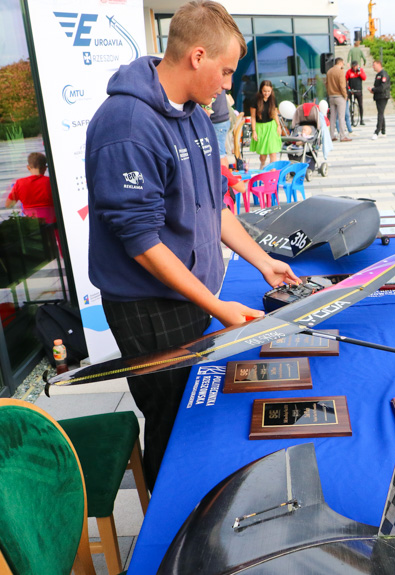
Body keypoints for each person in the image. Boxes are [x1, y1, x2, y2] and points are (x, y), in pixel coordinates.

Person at [85, 0, 299, 491]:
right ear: (197, 57)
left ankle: (198, 503)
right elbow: (141, 241)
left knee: (196, 415)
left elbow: (215, 205)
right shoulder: (127, 125)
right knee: (172, 423)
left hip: (190, 296)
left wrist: (264, 261)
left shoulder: (196, 115)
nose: (227, 84)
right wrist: (216, 304)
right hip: (149, 304)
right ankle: (169, 540)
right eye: (225, 72)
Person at [5, 152, 55, 224]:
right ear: (45, 168)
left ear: (28, 167)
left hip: (32, 224)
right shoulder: (51, 182)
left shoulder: (20, 183)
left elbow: (9, 205)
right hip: (52, 223)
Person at [249, 80, 284, 168]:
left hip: (272, 126)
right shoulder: (255, 99)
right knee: (263, 155)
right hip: (260, 127)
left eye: (268, 91)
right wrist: (254, 131)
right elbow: (253, 117)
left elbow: (275, 113)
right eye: (264, 91)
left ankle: (273, 172)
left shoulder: (273, 99)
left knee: (273, 152)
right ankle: (262, 165)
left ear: (271, 90)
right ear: (261, 90)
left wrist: (278, 126)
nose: (266, 93)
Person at [326, 57, 351, 141]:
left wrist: (329, 93)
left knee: (332, 117)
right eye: (343, 63)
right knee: (341, 117)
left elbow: (326, 84)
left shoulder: (329, 71)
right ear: (340, 63)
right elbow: (342, 85)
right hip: (339, 96)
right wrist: (345, 95)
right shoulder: (340, 72)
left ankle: (332, 135)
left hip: (331, 96)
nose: (343, 65)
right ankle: (342, 136)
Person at [208, 90, 231, 163]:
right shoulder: (218, 84)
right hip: (222, 119)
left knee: (220, 154)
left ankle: (223, 174)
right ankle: (224, 173)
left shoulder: (211, 86)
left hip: (218, 121)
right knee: (221, 152)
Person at [369, 60, 390, 140]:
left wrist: (374, 89)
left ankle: (377, 131)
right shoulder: (378, 75)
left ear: (379, 64)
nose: (373, 66)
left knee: (380, 113)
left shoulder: (383, 74)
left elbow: (383, 87)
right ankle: (383, 131)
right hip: (378, 96)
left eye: (374, 65)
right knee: (381, 112)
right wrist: (373, 90)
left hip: (383, 96)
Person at [346, 61, 367, 126]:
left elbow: (364, 78)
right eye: (354, 66)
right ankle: (352, 119)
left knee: (360, 105)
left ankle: (361, 119)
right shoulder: (349, 72)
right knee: (351, 105)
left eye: (356, 66)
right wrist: (349, 89)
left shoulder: (360, 70)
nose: (355, 68)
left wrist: (359, 72)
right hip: (351, 90)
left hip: (359, 90)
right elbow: (345, 80)